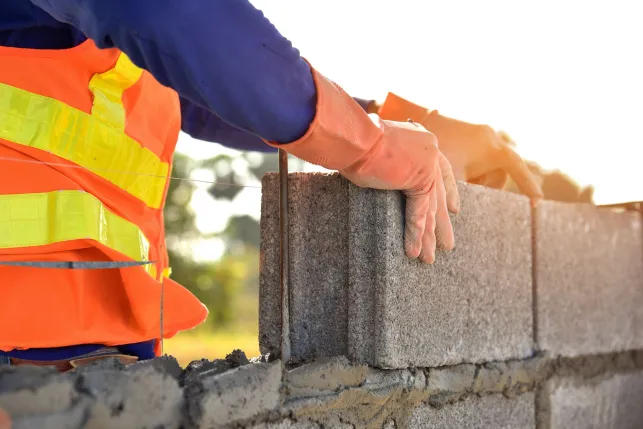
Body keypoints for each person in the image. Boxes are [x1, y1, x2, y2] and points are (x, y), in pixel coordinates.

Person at [0, 0, 542, 370]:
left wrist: (391, 118)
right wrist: (368, 144)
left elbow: (194, 85)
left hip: (81, 369)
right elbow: (169, 16)